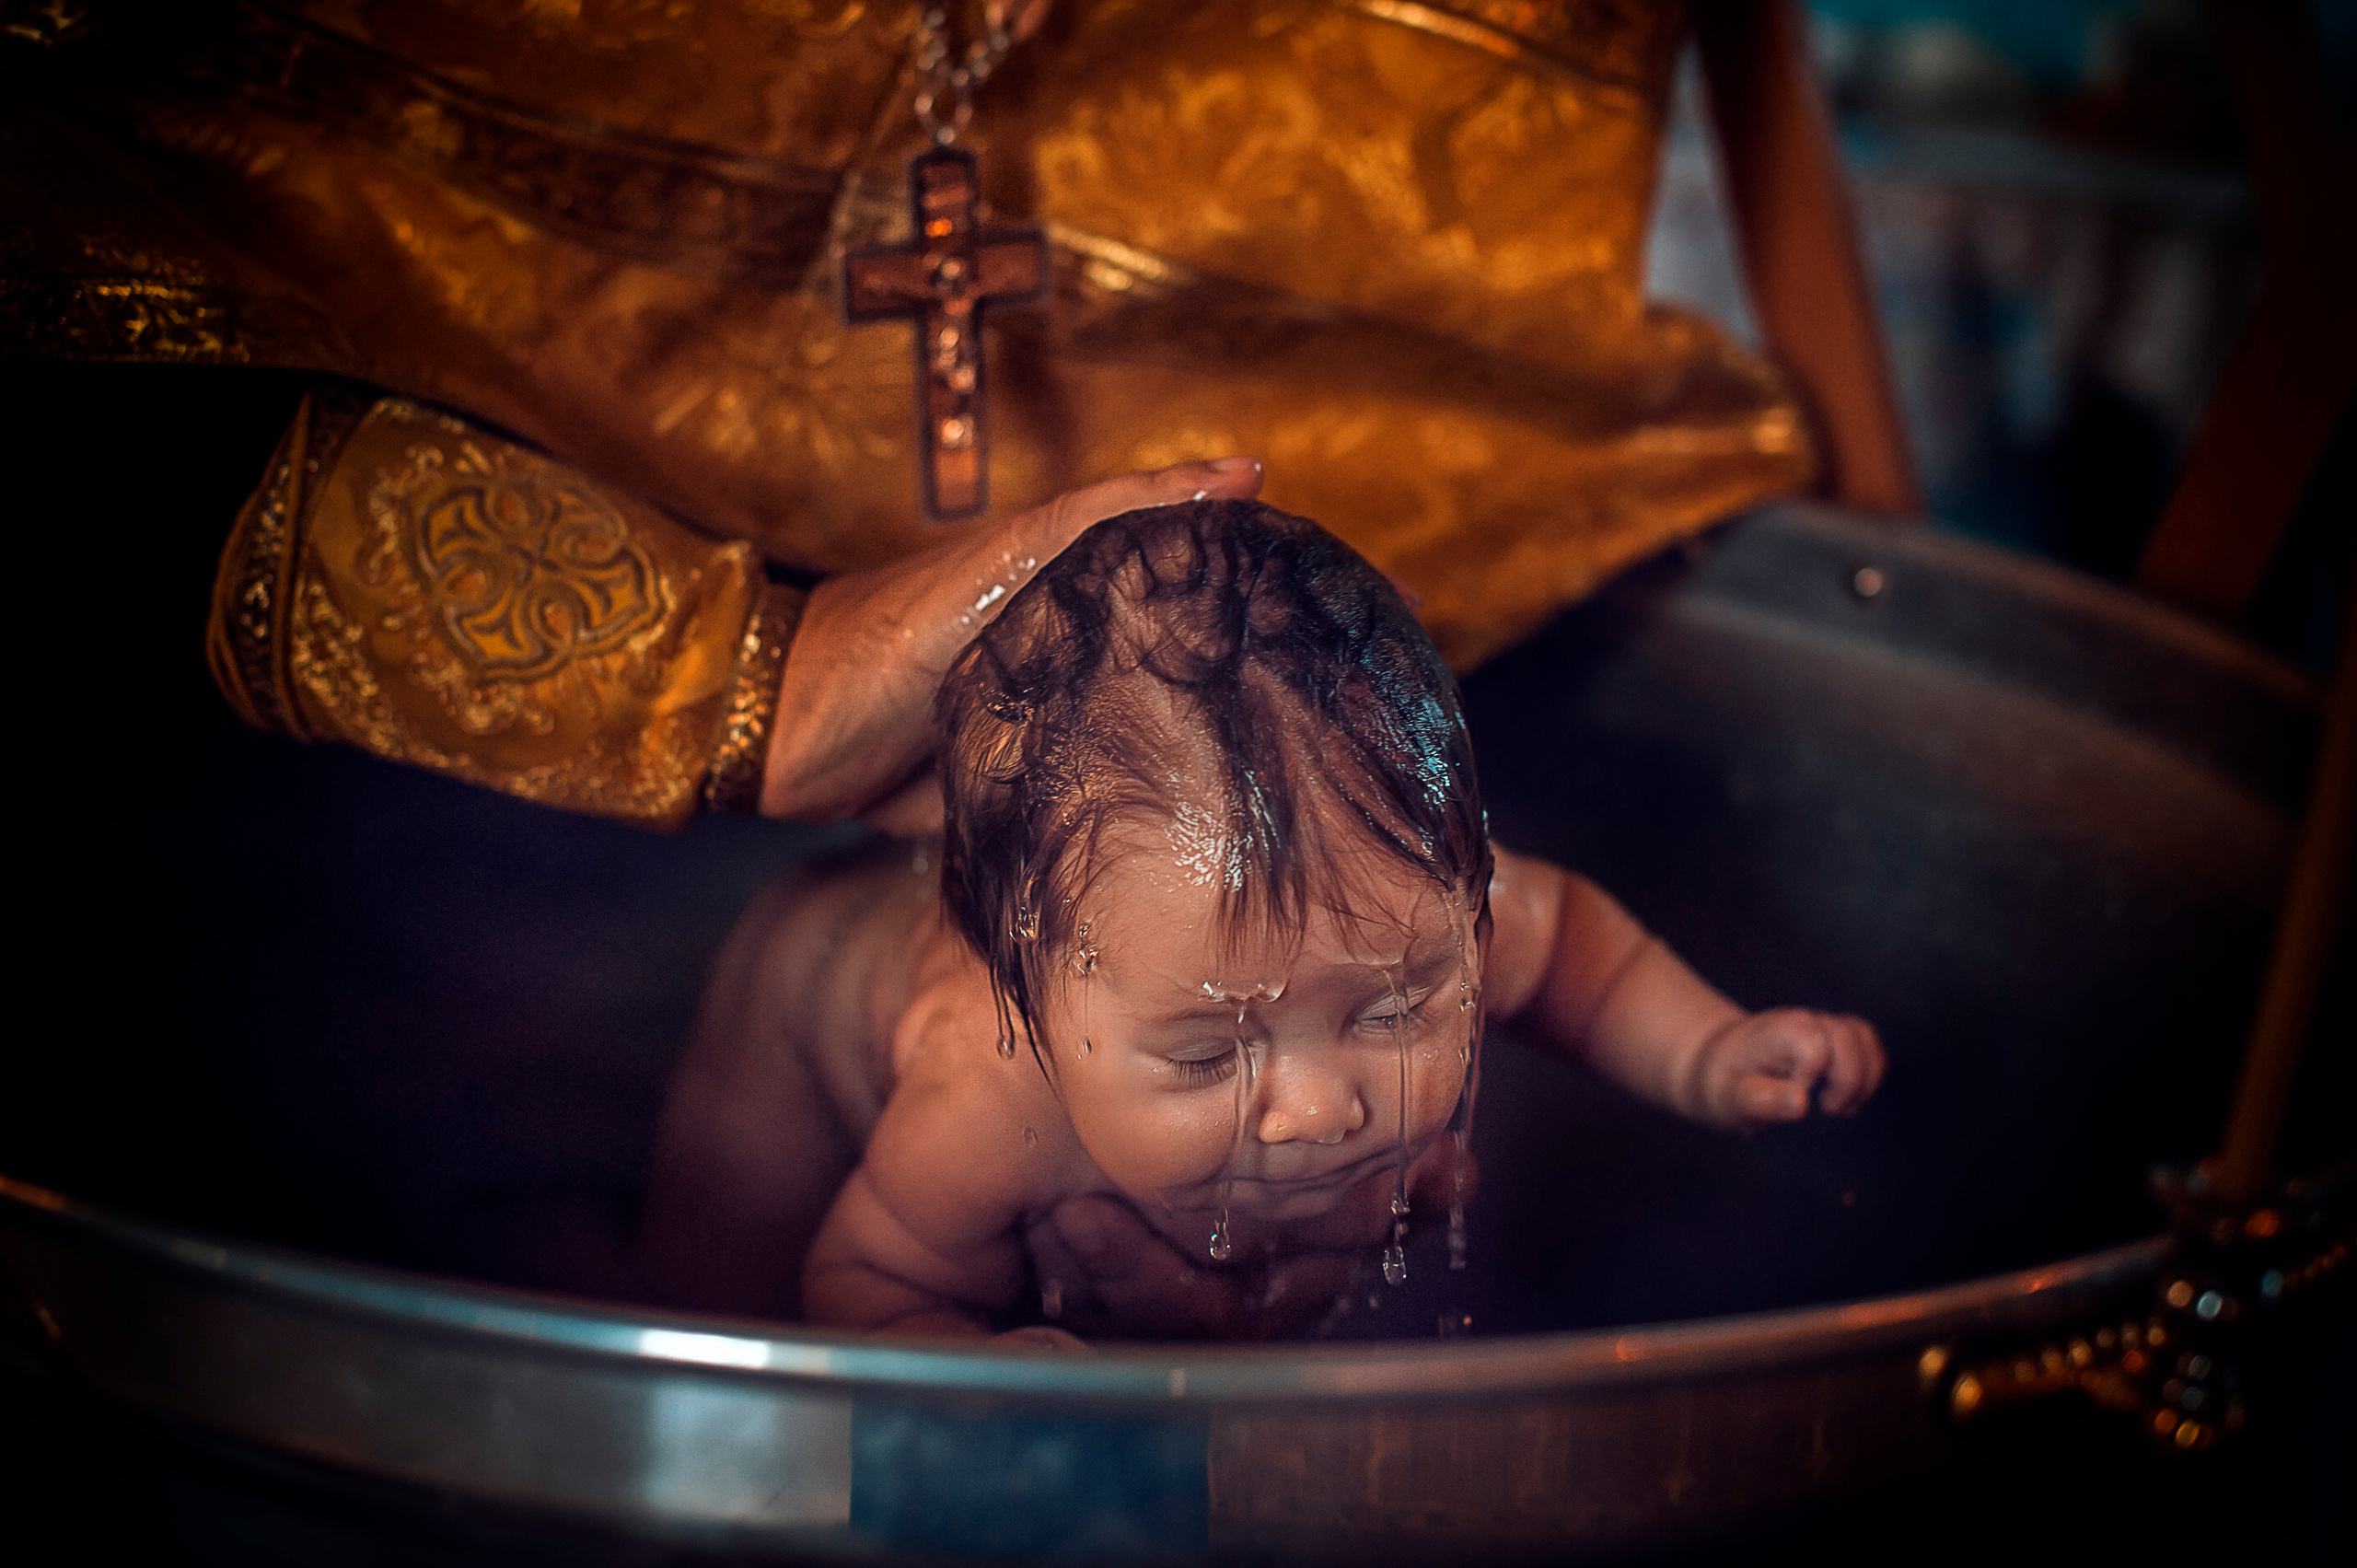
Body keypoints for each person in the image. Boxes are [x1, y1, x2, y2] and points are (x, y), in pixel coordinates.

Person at [646, 499, 1883, 1340]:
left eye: (1393, 1010)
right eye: (1206, 1052)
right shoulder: (988, 1097)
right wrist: (982, 1375)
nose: (1321, 1110)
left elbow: (1584, 963)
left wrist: (1712, 1052)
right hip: (798, 1004)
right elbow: (865, 1279)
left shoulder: (1410, 900)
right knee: (716, 1286)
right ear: (1034, 1006)